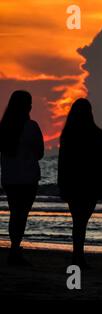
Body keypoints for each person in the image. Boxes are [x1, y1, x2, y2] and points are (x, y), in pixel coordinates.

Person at [58, 98, 102, 269]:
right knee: (82, 221)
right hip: (90, 184)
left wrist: (61, 184)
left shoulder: (67, 134)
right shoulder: (98, 134)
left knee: (77, 221)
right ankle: (78, 256)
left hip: (73, 183)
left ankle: (77, 255)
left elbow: (62, 162)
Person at [0, 90, 44, 266]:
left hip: (10, 178)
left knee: (14, 213)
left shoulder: (4, 128)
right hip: (27, 177)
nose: (31, 106)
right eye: (30, 103)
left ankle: (14, 248)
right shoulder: (31, 126)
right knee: (22, 214)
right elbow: (40, 153)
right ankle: (15, 248)